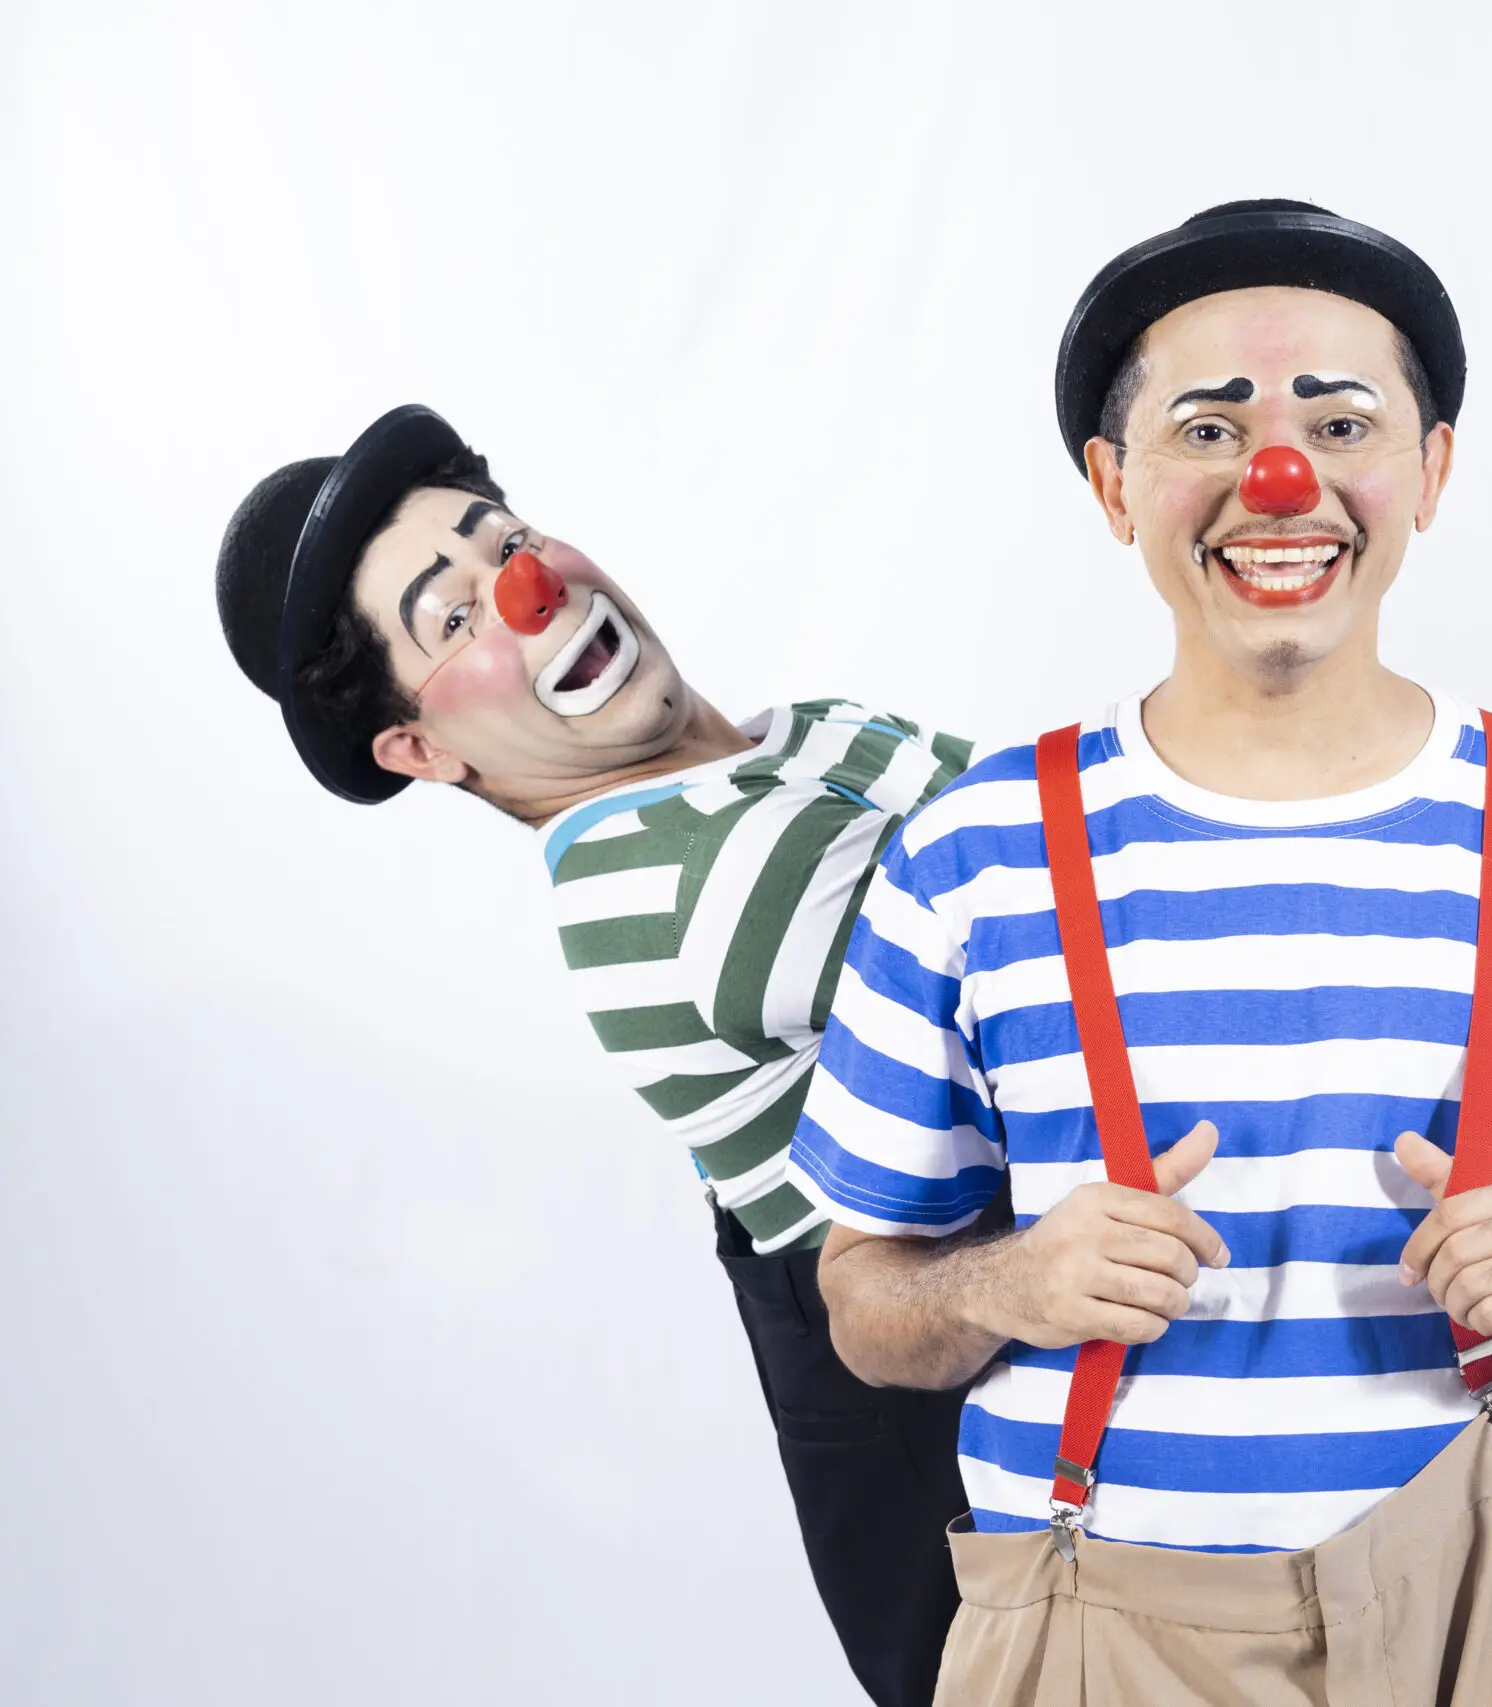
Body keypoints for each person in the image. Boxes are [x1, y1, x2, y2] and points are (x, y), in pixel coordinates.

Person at [785, 202, 1492, 1705]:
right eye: (1209, 428)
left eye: (1340, 423)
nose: (1280, 478)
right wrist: (1005, 1281)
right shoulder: (973, 852)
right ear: (1115, 485)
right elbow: (864, 1301)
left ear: (1428, 472)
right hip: (1093, 1617)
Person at [212, 406, 978, 1707]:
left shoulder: (804, 732)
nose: (525, 587)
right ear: (422, 747)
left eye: (502, 537)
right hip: (993, 1505)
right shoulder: (690, 884)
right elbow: (1095, 960)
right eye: (453, 615)